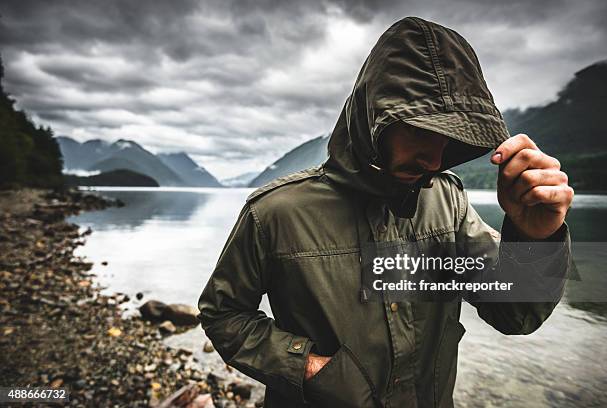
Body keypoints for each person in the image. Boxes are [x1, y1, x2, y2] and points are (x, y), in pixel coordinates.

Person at [197, 16, 573, 408]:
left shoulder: (449, 204)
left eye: (449, 135)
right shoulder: (274, 212)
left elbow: (516, 315)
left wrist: (536, 238)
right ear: (372, 116)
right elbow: (224, 314)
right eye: (417, 128)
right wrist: (309, 367)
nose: (435, 156)